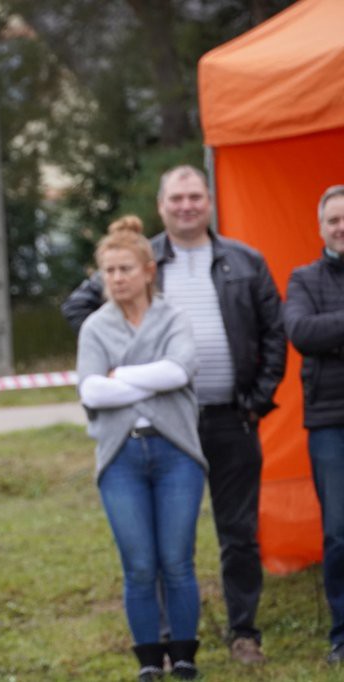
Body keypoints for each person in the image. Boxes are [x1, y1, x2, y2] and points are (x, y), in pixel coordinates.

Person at [62, 166, 286, 664]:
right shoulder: (136, 257)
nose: (186, 205)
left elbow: (275, 331)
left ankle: (243, 632)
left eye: (195, 196)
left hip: (232, 415)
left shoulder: (244, 260)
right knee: (153, 553)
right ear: (161, 206)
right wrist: (121, 353)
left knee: (237, 532)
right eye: (176, 198)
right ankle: (160, 637)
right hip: (155, 424)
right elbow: (79, 312)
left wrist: (258, 400)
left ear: (209, 200)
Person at [77, 216, 206, 680]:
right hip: (121, 459)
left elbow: (180, 371)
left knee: (176, 561)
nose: (116, 278)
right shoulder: (95, 328)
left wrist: (120, 378)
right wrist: (147, 380)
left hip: (175, 455)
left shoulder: (173, 318)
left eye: (124, 269)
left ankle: (185, 656)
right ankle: (150, 661)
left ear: (148, 270)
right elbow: (91, 392)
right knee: (139, 565)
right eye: (108, 271)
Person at [284, 184, 344, 664]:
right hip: (330, 422)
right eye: (333, 220)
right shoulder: (303, 278)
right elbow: (303, 332)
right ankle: (343, 634)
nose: (341, 227)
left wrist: (334, 332)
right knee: (340, 531)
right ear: (320, 227)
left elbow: (323, 332)